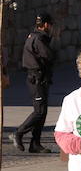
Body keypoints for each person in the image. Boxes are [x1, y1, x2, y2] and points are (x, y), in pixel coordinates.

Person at [12, 12, 56, 153]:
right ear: (46, 25)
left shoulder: (33, 36)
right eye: (51, 25)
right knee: (39, 111)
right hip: (37, 78)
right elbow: (50, 56)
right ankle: (18, 133)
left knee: (42, 112)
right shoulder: (39, 39)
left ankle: (35, 143)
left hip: (39, 78)